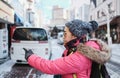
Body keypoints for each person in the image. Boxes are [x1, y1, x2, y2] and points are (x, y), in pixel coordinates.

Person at [23, 19, 110, 78]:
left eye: (65, 34)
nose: (63, 37)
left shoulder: (81, 57)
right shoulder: (74, 49)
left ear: (75, 36)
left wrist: (30, 57)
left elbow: (50, 66)